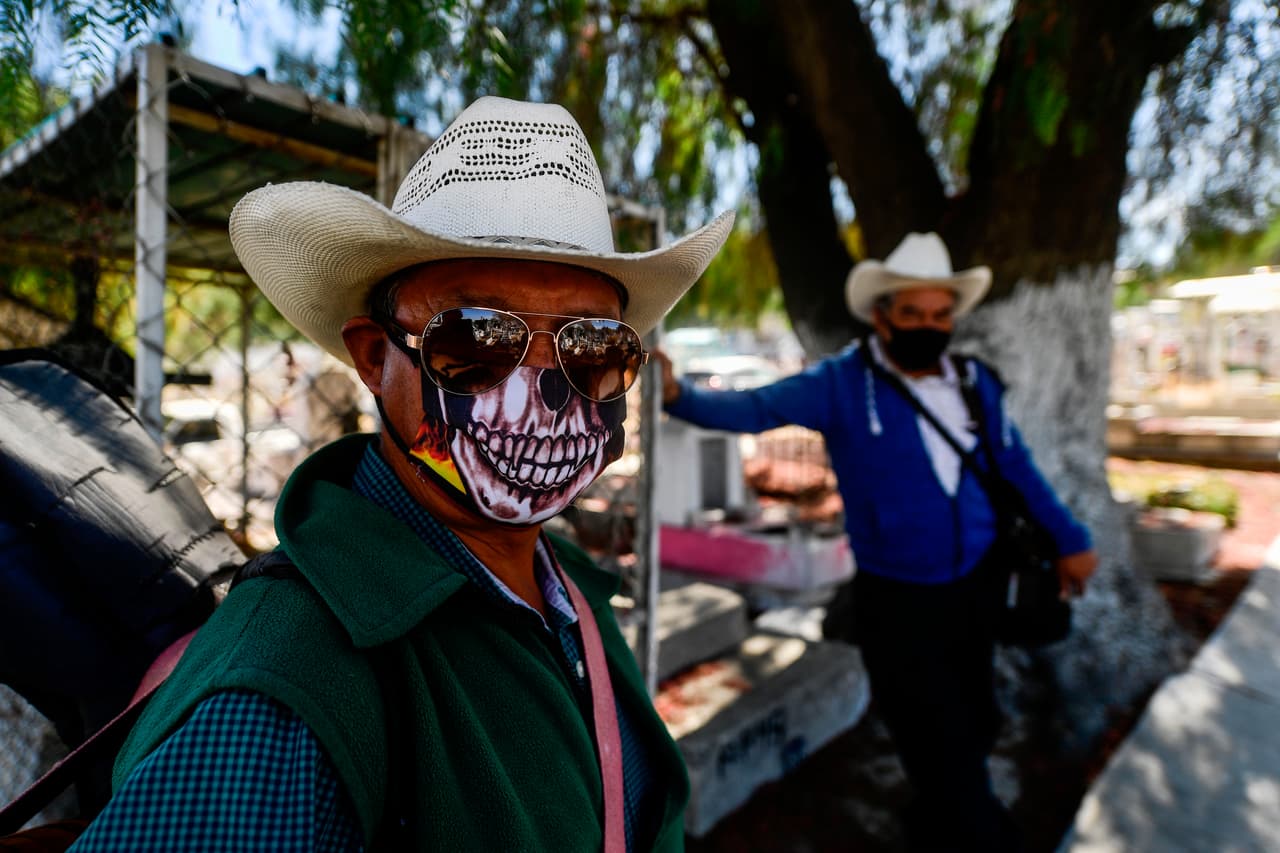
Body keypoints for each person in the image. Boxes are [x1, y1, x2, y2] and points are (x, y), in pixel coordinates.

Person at [69, 96, 732, 852]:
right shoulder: (283, 691)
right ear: (374, 357)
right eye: (478, 342)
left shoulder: (573, 594)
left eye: (593, 348)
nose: (543, 392)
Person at [657, 232, 1098, 852]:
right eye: (913, 313)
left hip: (977, 583)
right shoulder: (842, 384)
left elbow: (1016, 467)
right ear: (882, 315)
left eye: (940, 314)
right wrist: (678, 396)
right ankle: (980, 833)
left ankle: (938, 816)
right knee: (930, 726)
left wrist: (1071, 538)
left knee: (973, 715)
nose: (929, 325)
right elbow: (752, 410)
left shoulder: (975, 383)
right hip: (897, 598)